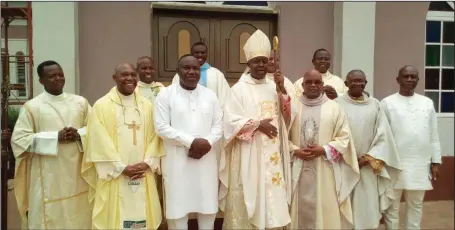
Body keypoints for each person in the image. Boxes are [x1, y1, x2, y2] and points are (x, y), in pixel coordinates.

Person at [220, 29, 294, 229]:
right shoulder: (238, 89)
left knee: (272, 198)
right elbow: (229, 123)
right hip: (249, 154)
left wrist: (282, 91)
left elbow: (287, 119)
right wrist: (257, 124)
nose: (261, 65)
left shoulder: (274, 86)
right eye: (256, 61)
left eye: (264, 60)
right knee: (250, 196)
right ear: (248, 64)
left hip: (273, 155)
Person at [11, 60, 92, 229]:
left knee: (79, 214)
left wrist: (79, 134)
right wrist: (55, 137)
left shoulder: (80, 102)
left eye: (60, 74)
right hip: (48, 175)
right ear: (41, 81)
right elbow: (19, 140)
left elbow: (96, 130)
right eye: (52, 76)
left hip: (78, 172)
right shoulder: (32, 107)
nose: (58, 78)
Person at [81, 63, 163, 229]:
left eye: (133, 75)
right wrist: (120, 168)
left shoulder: (146, 106)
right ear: (114, 78)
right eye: (124, 75)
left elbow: (156, 137)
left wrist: (147, 163)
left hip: (143, 172)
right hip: (115, 175)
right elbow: (97, 141)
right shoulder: (102, 105)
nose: (130, 79)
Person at [154, 54, 223, 230]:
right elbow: (161, 127)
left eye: (195, 68)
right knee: (178, 208)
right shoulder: (165, 95)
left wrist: (205, 142)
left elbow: (219, 126)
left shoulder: (210, 96)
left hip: (206, 160)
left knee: (207, 206)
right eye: (186, 68)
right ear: (178, 71)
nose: (191, 71)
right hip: (177, 162)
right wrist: (191, 142)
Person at [288, 69, 360, 229]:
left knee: (325, 212)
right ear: (302, 85)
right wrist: (294, 150)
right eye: (309, 82)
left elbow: (344, 138)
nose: (313, 85)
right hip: (297, 169)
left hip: (325, 170)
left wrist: (325, 149)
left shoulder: (335, 108)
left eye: (317, 82)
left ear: (322, 85)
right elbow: (282, 138)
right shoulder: (292, 108)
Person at [335, 69, 401, 229]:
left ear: (365, 83)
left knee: (366, 208)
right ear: (346, 84)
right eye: (354, 81)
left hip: (368, 166)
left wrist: (368, 157)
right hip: (343, 165)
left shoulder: (375, 105)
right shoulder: (337, 104)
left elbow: (384, 135)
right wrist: (346, 156)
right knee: (343, 207)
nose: (358, 84)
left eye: (361, 81)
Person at [381, 65, 442, 230]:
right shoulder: (387, 103)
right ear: (398, 79)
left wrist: (435, 161)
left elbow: (433, 135)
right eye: (406, 76)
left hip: (419, 164)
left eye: (413, 77)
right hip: (393, 164)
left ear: (418, 80)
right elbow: (382, 136)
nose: (409, 80)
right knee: (391, 208)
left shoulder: (427, 103)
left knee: (415, 206)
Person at [172, 42, 231, 107]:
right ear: (191, 54)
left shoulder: (217, 74)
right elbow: (174, 95)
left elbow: (225, 97)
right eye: (196, 52)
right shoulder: (181, 74)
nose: (200, 55)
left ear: (206, 54)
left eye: (203, 53)